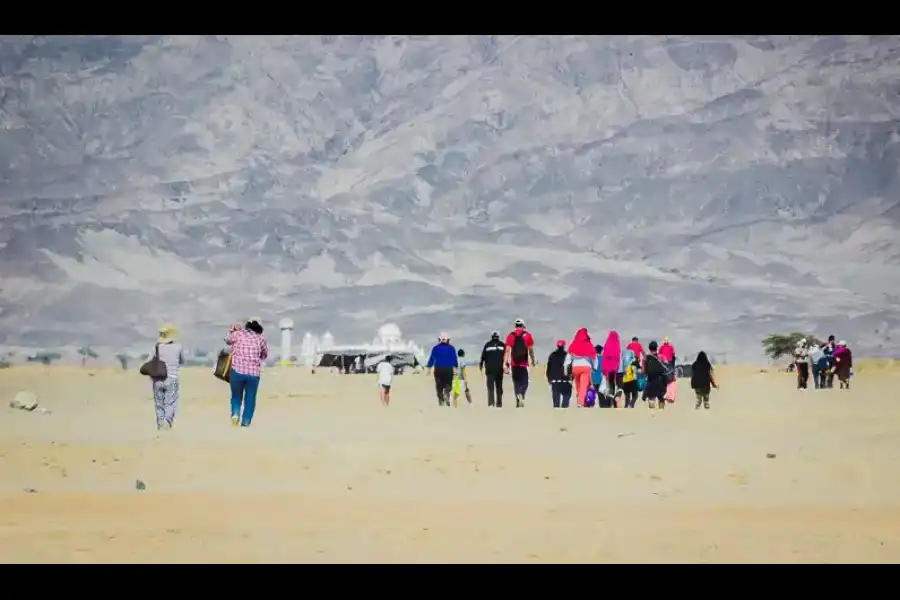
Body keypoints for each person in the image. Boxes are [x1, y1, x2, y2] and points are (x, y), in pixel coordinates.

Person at [225, 318, 269, 427]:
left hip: (237, 371)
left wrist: (232, 330)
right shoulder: (261, 338)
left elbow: (227, 340)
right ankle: (245, 423)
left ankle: (235, 414)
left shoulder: (238, 334)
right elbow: (264, 354)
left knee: (236, 396)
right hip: (253, 374)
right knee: (250, 399)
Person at [150, 324, 185, 430]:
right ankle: (167, 420)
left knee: (159, 403)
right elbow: (182, 361)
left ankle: (160, 423)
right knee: (171, 402)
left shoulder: (156, 347)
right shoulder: (178, 347)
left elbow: (149, 361)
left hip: (158, 379)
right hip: (172, 378)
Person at [504, 319, 536, 408]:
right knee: (525, 382)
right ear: (523, 326)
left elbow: (507, 350)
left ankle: (518, 397)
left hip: (514, 363)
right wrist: (533, 360)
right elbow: (531, 350)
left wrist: (505, 362)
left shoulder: (511, 335)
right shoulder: (527, 335)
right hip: (524, 363)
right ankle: (521, 394)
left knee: (516, 382)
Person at [564, 328, 598, 407]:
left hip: (575, 368)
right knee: (584, 386)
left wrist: (565, 368)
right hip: (586, 368)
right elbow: (594, 358)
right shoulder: (589, 345)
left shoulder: (574, 344)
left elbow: (568, 358)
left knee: (578, 385)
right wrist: (595, 368)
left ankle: (579, 401)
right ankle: (580, 403)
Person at [426, 333, 458, 406]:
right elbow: (454, 359)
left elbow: (431, 359)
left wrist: (428, 368)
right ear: (448, 340)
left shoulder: (435, 348)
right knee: (448, 384)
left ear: (439, 340)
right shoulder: (451, 348)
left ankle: (441, 400)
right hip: (448, 369)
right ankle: (447, 391)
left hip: (438, 369)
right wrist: (456, 368)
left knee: (439, 386)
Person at [479, 331, 506, 407]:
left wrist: (481, 365)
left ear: (492, 337)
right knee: (499, 387)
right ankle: (499, 403)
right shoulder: (502, 345)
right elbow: (507, 356)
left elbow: (483, 356)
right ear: (498, 337)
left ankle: (491, 403)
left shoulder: (487, 345)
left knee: (490, 387)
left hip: (490, 369)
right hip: (499, 369)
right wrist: (507, 365)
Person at [642, 341, 670, 410]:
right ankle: (661, 413)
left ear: (649, 348)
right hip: (661, 382)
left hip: (651, 380)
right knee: (661, 399)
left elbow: (643, 371)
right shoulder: (662, 357)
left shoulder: (645, 358)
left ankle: (652, 414)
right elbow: (667, 368)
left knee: (651, 398)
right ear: (656, 348)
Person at [546, 340, 572, 408]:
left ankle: (556, 410)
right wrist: (571, 377)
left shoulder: (552, 355)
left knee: (556, 397)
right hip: (565, 380)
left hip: (555, 379)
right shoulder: (567, 355)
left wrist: (549, 378)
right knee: (567, 395)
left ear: (557, 346)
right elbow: (570, 367)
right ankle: (564, 408)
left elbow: (549, 367)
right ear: (564, 346)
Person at [601, 330, 622, 398]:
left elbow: (604, 356)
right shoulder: (617, 344)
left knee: (611, 382)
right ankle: (617, 395)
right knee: (618, 382)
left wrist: (603, 368)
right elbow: (618, 356)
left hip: (608, 367)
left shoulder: (607, 345)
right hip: (616, 366)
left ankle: (612, 399)